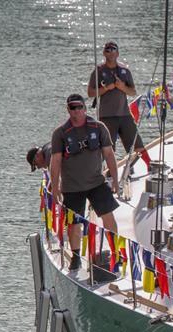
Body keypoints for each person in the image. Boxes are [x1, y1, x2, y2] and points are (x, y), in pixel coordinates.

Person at [49, 94, 120, 271]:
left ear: (85, 108)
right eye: (73, 107)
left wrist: (116, 180)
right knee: (74, 223)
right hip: (72, 187)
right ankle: (76, 256)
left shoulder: (98, 127)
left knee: (108, 216)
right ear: (68, 110)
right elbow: (55, 161)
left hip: (96, 182)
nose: (77, 111)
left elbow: (109, 154)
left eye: (79, 107)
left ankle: (116, 252)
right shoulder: (60, 133)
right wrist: (56, 187)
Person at [87, 39, 151, 169]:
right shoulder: (98, 71)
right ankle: (108, 172)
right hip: (106, 116)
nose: (110, 52)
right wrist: (106, 88)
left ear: (118, 53)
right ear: (104, 53)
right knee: (108, 148)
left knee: (136, 142)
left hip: (124, 114)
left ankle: (150, 165)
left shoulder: (124, 70)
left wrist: (122, 86)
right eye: (107, 50)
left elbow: (133, 92)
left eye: (113, 50)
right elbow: (90, 93)